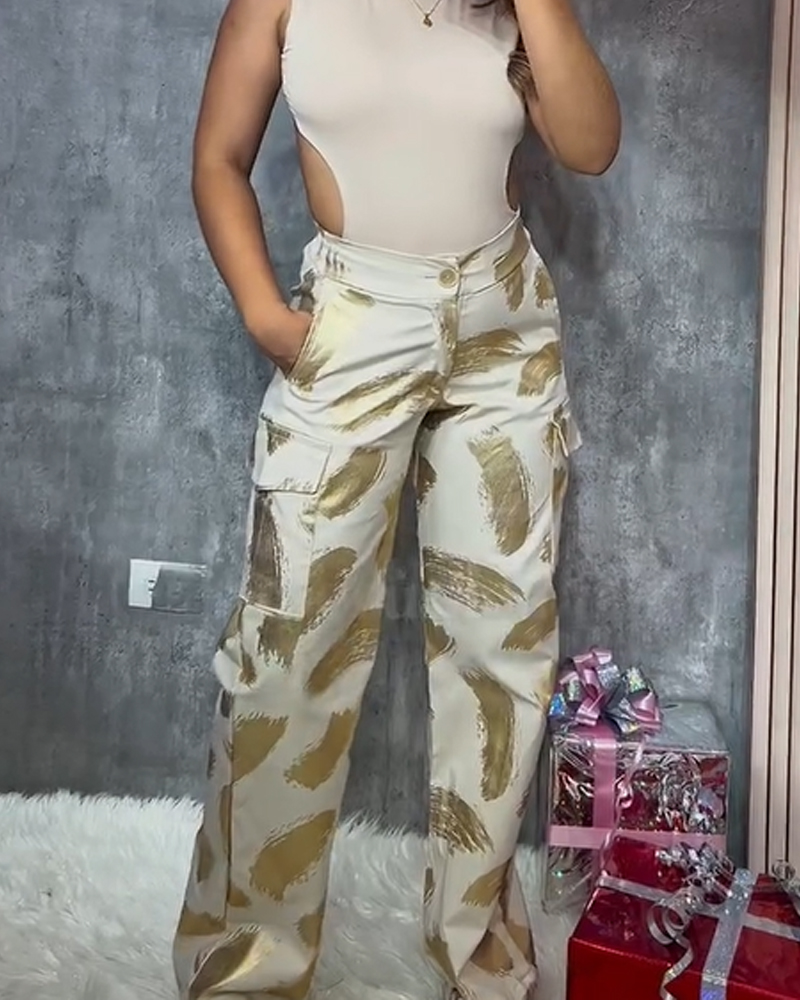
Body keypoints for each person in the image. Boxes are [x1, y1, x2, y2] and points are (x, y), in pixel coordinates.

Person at [173, 0, 620, 997]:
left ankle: (480, 957)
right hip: (357, 317)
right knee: (292, 646)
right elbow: (218, 158)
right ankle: (246, 970)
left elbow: (590, 147)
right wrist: (266, 315)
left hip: (502, 334)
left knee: (500, 651)